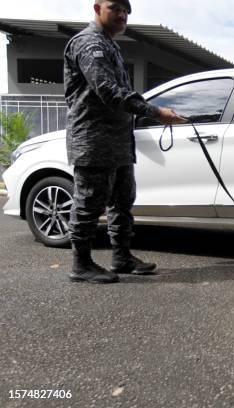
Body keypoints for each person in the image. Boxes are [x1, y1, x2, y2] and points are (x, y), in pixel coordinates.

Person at [64, 0, 185, 283]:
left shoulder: (111, 45)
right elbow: (107, 90)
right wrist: (155, 112)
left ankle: (121, 257)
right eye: (116, 7)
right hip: (92, 140)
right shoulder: (87, 44)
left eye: (127, 11)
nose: (123, 15)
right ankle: (81, 265)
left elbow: (122, 92)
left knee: (122, 202)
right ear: (97, 7)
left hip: (118, 141)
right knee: (89, 204)